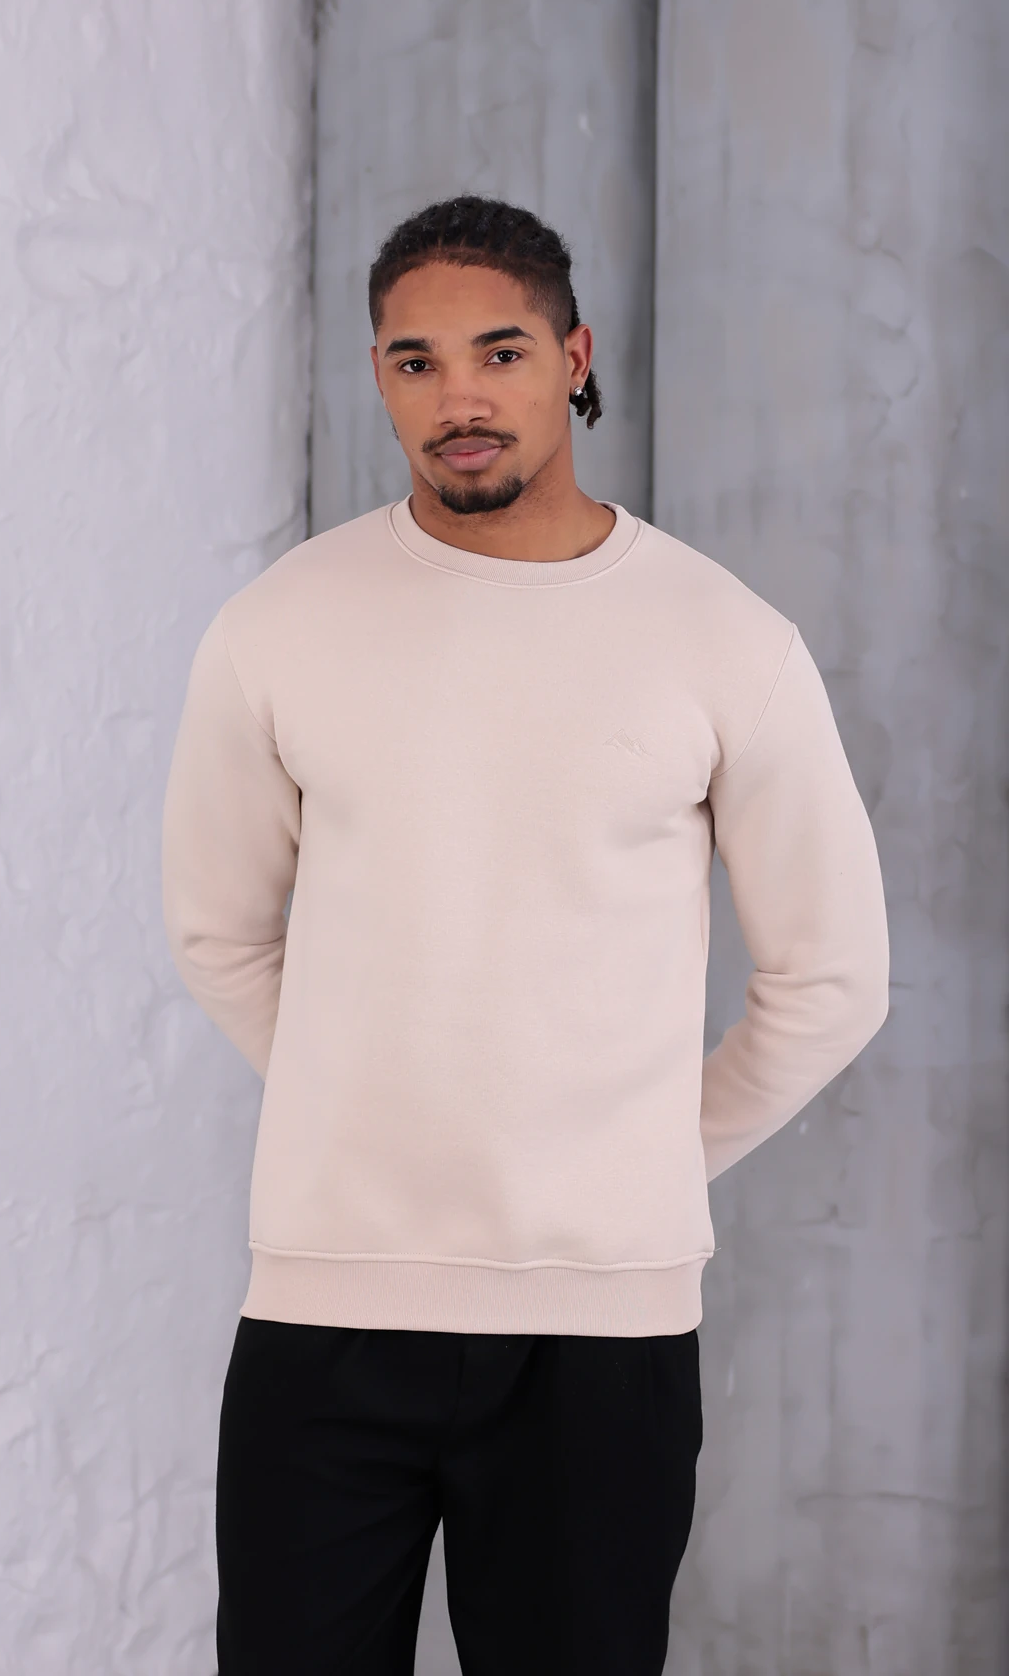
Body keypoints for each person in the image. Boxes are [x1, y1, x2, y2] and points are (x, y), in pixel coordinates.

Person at [160, 195, 890, 1674]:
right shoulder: (279, 626)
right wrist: (368, 1105)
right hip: (326, 1314)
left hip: (601, 1341)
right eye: (415, 362)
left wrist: (639, 1154)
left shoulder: (722, 638)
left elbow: (833, 980)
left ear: (574, 357)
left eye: (499, 352)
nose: (460, 398)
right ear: (379, 377)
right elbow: (219, 931)